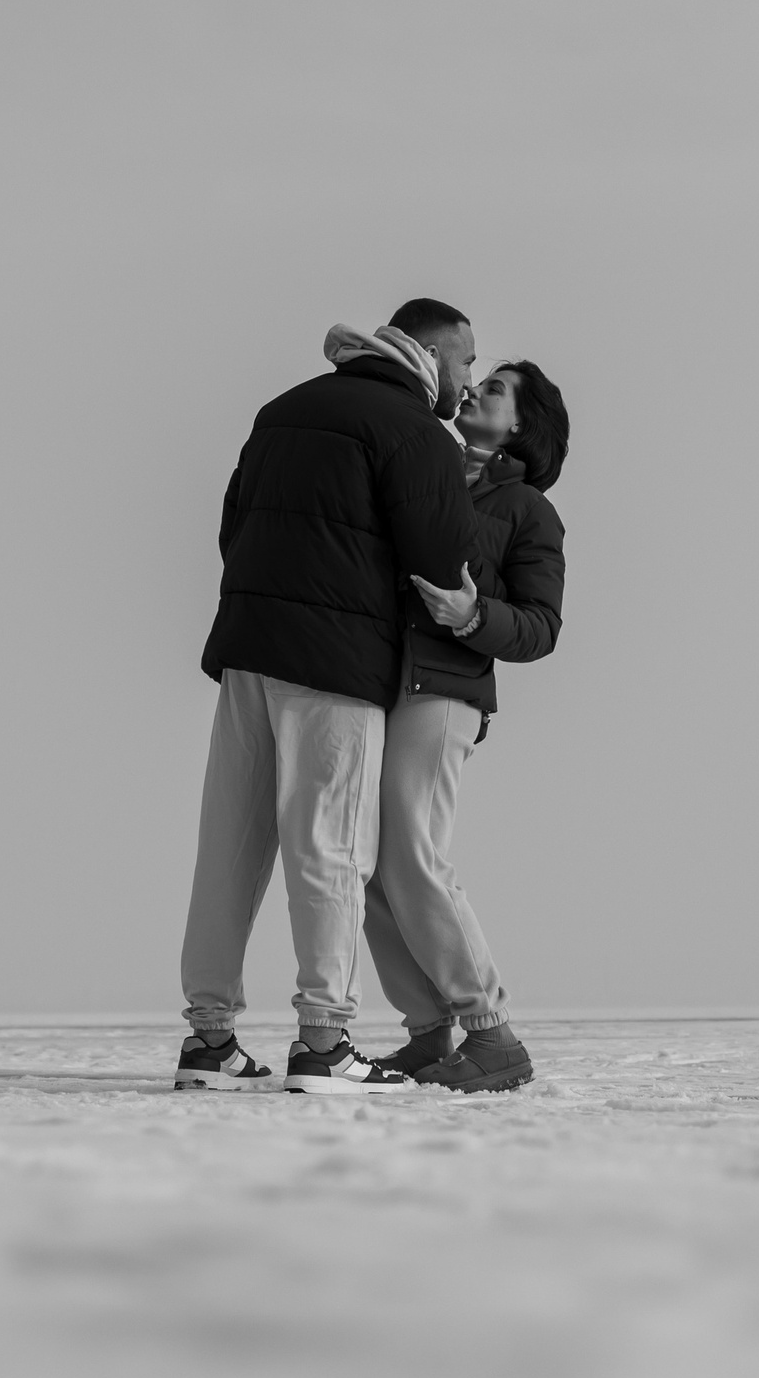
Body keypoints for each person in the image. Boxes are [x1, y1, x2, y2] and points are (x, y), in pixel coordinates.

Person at [172, 299, 482, 1094]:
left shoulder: (284, 409)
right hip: (336, 666)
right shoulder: (417, 434)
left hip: (247, 650)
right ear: (432, 352)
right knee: (332, 853)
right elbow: (441, 561)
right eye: (467, 361)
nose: (469, 380)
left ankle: (209, 1041)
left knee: (228, 852)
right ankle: (325, 1043)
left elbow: (231, 528)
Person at [359, 358, 570, 1093]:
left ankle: (491, 1032)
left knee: (413, 852)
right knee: (365, 861)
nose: (477, 388)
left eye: (498, 388)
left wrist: (473, 615)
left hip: (446, 689)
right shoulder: (429, 470)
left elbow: (541, 627)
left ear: (522, 423)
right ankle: (427, 1030)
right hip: (381, 684)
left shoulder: (529, 510)